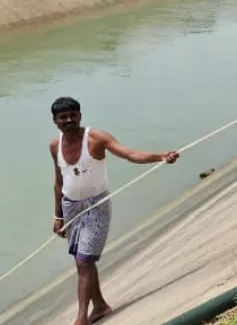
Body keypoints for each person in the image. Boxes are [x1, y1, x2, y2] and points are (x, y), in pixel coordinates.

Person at [49, 96, 179, 325]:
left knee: (84, 261)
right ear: (55, 121)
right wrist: (58, 215)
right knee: (82, 260)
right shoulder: (55, 146)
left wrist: (160, 156)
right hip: (71, 207)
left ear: (80, 116)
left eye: (73, 115)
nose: (68, 120)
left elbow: (130, 154)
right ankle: (100, 306)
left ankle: (81, 318)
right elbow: (59, 181)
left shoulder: (96, 138)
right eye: (63, 117)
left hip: (96, 206)